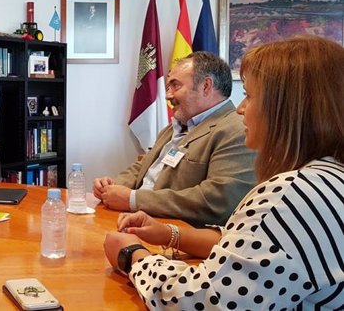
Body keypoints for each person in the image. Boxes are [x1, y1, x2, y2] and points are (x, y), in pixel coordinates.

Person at [104, 35, 344, 310]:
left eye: (250, 96)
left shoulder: (293, 195)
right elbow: (249, 242)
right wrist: (169, 234)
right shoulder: (327, 178)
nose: (241, 109)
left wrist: (133, 256)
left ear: (288, 110)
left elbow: (202, 300)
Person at [94, 51, 256, 226]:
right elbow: (144, 167)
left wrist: (134, 199)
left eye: (175, 86)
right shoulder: (175, 126)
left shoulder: (237, 130)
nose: (168, 95)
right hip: (136, 222)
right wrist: (111, 186)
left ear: (206, 86)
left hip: (173, 236)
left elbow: (218, 201)